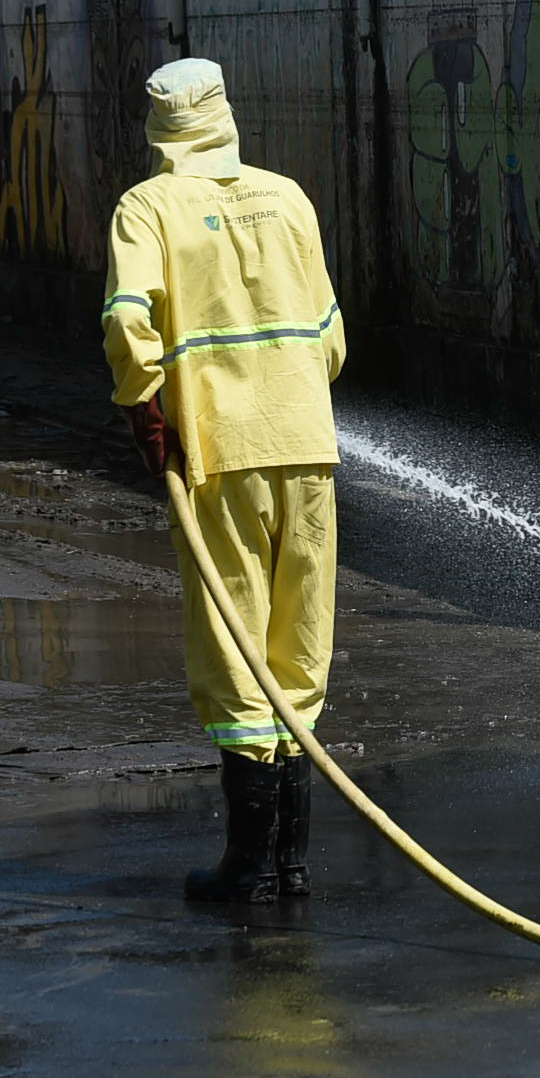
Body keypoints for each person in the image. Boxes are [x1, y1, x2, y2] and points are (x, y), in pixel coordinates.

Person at [103, 59, 346, 903]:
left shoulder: (148, 207)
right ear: (225, 113)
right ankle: (293, 862)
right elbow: (330, 335)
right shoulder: (289, 198)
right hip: (307, 443)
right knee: (299, 640)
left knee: (233, 643)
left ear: (159, 126)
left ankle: (248, 865)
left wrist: (143, 404)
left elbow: (127, 320)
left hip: (217, 451)